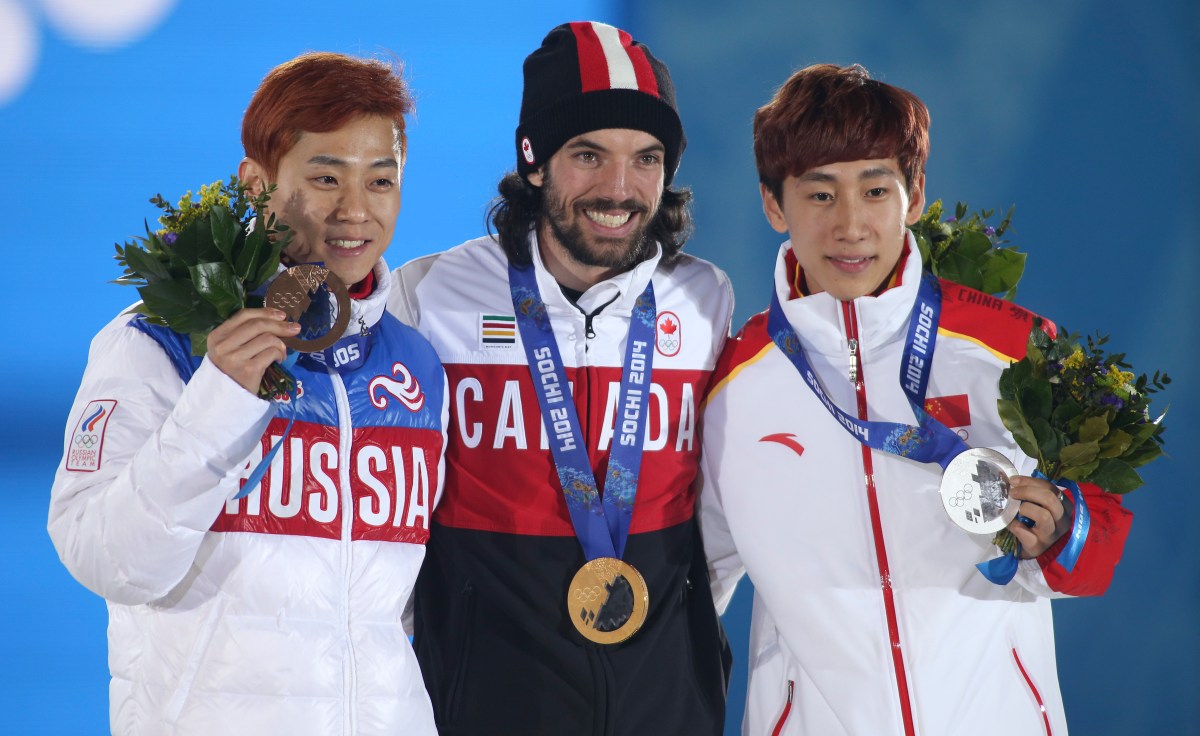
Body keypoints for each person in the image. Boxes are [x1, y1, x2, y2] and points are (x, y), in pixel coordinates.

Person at [698, 64, 1133, 735]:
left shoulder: (1012, 347)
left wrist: (1060, 530)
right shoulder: (732, 388)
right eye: (819, 196)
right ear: (773, 204)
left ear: (916, 194)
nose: (850, 226)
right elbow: (691, 587)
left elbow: (1096, 542)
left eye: (875, 190)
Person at [48, 52, 447, 735]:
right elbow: (108, 559)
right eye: (326, 177)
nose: (356, 210)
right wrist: (221, 399)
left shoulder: (415, 364)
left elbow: (399, 609)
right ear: (255, 185)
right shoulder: (159, 341)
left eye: (382, 181)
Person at [388, 21, 733, 735]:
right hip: (487, 701)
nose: (619, 188)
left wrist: (684, 633)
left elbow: (726, 515)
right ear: (534, 160)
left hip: (665, 702)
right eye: (587, 155)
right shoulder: (429, 295)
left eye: (647, 158)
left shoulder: (706, 301)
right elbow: (392, 518)